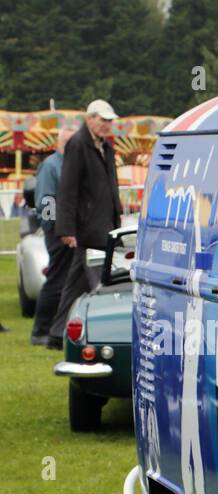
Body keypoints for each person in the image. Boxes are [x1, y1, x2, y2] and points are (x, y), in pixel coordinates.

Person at [51, 100, 122, 347]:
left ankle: (57, 333)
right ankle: (102, 333)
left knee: (76, 283)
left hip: (103, 224)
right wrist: (67, 229)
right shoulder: (78, 144)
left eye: (109, 120)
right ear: (89, 119)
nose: (107, 125)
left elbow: (111, 186)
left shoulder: (106, 147)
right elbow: (67, 189)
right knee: (100, 283)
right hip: (89, 228)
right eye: (103, 120)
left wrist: (117, 215)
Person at [29, 123, 78, 347]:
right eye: (68, 141)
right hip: (59, 232)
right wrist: (58, 228)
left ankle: (56, 327)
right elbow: (46, 201)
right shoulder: (51, 166)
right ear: (60, 142)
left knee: (67, 281)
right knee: (57, 280)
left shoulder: (71, 164)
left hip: (71, 230)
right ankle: (40, 330)